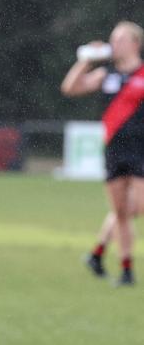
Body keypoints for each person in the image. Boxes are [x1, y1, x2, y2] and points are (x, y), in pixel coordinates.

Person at [61, 21, 144, 286]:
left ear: (135, 44)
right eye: (112, 40)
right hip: (115, 151)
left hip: (141, 151)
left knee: (136, 207)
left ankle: (98, 253)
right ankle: (126, 270)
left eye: (120, 40)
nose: (114, 44)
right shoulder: (105, 75)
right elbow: (70, 88)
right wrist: (86, 60)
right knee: (120, 213)